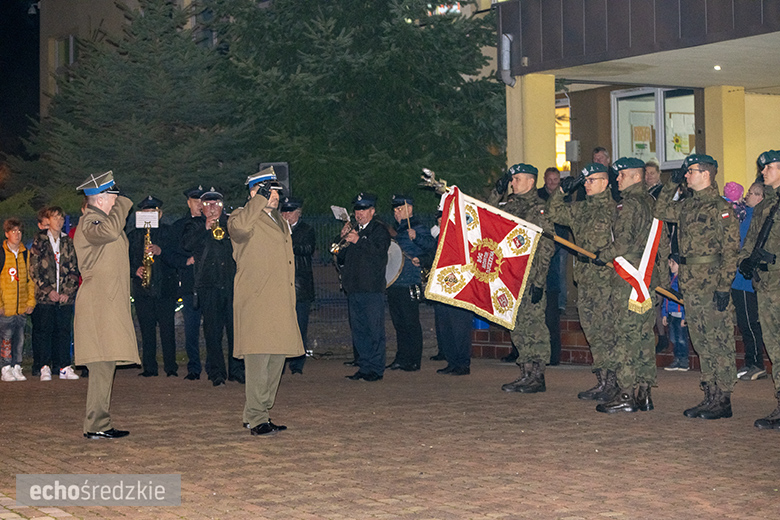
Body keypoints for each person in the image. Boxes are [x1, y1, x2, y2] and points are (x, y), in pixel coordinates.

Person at [654, 153, 739, 420]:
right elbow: (659, 210)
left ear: (706, 174)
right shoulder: (687, 207)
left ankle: (723, 398)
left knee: (719, 341)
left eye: (690, 171)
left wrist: (724, 287)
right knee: (701, 341)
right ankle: (710, 393)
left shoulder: (721, 208)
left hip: (712, 283)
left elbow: (731, 251)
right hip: (691, 284)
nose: (687, 176)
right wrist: (672, 182)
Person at [228, 168, 304, 436]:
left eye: (275, 191)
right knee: (259, 360)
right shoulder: (241, 215)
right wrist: (257, 201)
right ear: (256, 192)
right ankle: (258, 416)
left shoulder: (279, 221)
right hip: (257, 300)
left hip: (280, 300)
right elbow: (238, 231)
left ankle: (259, 413)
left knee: (276, 358)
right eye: (270, 191)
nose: (276, 196)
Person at [73, 171, 139, 439]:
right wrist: (124, 204)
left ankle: (99, 423)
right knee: (101, 365)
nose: (117, 200)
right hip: (97, 304)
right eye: (113, 195)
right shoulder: (91, 221)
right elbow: (111, 231)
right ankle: (96, 425)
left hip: (107, 302)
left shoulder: (100, 220)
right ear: (100, 199)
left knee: (106, 363)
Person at [546, 163, 619, 402]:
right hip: (585, 280)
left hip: (607, 281)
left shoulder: (614, 210)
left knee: (608, 332)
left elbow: (625, 243)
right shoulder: (581, 209)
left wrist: (607, 256)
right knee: (592, 332)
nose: (586, 185)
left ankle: (614, 381)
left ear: (605, 182)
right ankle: (602, 380)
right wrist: (561, 191)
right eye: (585, 181)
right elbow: (554, 213)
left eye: (591, 180)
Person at [593, 157, 659, 413]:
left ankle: (625, 393)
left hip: (628, 279)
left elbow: (622, 243)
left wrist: (602, 254)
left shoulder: (629, 204)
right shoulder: (652, 203)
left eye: (621, 175)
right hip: (646, 277)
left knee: (626, 337)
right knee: (643, 336)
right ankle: (644, 393)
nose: (617, 179)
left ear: (636, 177)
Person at [487, 164, 555, 392]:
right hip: (511, 276)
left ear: (530, 182)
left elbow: (547, 246)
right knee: (517, 325)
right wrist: (497, 192)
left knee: (534, 326)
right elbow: (487, 217)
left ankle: (537, 375)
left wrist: (539, 280)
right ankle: (525, 373)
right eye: (511, 179)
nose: (512, 183)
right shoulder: (512, 205)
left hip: (530, 276)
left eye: (517, 179)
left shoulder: (540, 209)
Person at [182, 188, 244, 386]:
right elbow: (187, 244)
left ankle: (237, 370)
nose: (212, 207)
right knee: (213, 331)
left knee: (235, 331)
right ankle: (216, 372)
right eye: (207, 204)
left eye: (215, 204)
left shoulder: (230, 224)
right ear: (202, 207)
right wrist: (205, 229)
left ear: (222, 206)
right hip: (208, 285)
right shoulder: (194, 225)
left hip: (231, 283)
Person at [738, 150, 780, 429]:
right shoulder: (766, 204)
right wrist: (745, 260)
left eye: (770, 168)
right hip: (765, 284)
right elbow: (752, 236)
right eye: (762, 168)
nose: (763, 172)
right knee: (775, 347)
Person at [128, 196, 186, 377]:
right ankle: (149, 367)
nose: (149, 216)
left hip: (165, 289)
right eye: (145, 213)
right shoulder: (133, 235)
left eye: (152, 213)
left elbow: (177, 257)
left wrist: (161, 251)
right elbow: (125, 260)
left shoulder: (169, 233)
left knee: (167, 329)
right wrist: (134, 270)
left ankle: (171, 367)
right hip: (143, 290)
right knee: (146, 330)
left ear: (159, 214)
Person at [338, 193, 391, 382]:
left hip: (371, 288)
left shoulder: (379, 230)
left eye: (363, 210)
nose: (359, 214)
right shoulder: (353, 230)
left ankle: (376, 369)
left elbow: (378, 253)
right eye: (357, 210)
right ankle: (364, 366)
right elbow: (339, 256)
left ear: (372, 211)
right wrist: (342, 239)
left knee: (374, 330)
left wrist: (358, 240)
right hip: (354, 287)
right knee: (359, 331)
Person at [385, 195, 436, 372]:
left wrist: (417, 238)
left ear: (410, 209)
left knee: (411, 322)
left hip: (409, 281)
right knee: (399, 322)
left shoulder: (418, 228)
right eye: (395, 210)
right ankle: (402, 357)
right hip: (394, 282)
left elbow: (432, 247)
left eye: (399, 209)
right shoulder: (397, 230)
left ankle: (414, 359)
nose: (396, 213)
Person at [29, 206, 80, 381]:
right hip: (45, 297)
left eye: (61, 218)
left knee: (64, 331)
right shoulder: (40, 240)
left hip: (65, 298)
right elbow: (34, 269)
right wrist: (49, 290)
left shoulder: (68, 242)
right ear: (48, 221)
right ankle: (44, 366)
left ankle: (64, 366)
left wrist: (67, 291)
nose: (58, 221)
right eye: (55, 218)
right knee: (45, 331)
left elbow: (74, 268)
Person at [732, 182, 766, 381]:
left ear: (760, 198)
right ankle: (750, 361)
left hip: (745, 280)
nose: (747, 197)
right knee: (744, 323)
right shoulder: (744, 215)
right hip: (737, 277)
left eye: (752, 194)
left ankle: (756, 363)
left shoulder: (757, 219)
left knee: (750, 323)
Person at [171, 185, 204, 380]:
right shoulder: (179, 226)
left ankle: (215, 366)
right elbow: (170, 253)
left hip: (210, 283)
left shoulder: (213, 223)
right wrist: (185, 261)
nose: (199, 204)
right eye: (195, 200)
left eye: (202, 200)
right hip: (190, 283)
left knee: (213, 329)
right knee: (191, 329)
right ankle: (194, 367)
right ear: (188, 202)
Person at [537, 166, 570, 364]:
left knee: (557, 280)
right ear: (544, 180)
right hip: (540, 248)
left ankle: (560, 305)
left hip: (560, 244)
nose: (552, 183)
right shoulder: (538, 197)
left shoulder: (563, 197)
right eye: (550, 179)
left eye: (556, 179)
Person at [280, 196, 316, 375]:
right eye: (284, 211)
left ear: (298, 213)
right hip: (281, 286)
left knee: (300, 325)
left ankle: (297, 363)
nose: (286, 215)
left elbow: (307, 249)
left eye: (290, 211)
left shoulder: (306, 230)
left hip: (300, 286)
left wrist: (287, 237)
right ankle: (282, 360)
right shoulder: (276, 230)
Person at [0, 218, 36, 382]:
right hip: (6, 306)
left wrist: (30, 302)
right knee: (6, 338)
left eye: (19, 231)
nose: (17, 234)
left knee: (20, 338)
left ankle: (17, 366)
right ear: (6, 234)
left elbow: (30, 280)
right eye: (13, 231)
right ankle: (5, 367)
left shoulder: (25, 254)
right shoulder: (1, 253)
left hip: (21, 306)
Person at [662, 255, 689, 371]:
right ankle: (677, 359)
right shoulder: (670, 279)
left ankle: (683, 360)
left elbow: (686, 300)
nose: (670, 265)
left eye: (673, 263)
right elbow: (666, 298)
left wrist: (685, 316)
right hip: (671, 314)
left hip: (680, 314)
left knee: (682, 338)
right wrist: (664, 313)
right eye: (669, 262)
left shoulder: (683, 281)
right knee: (673, 338)